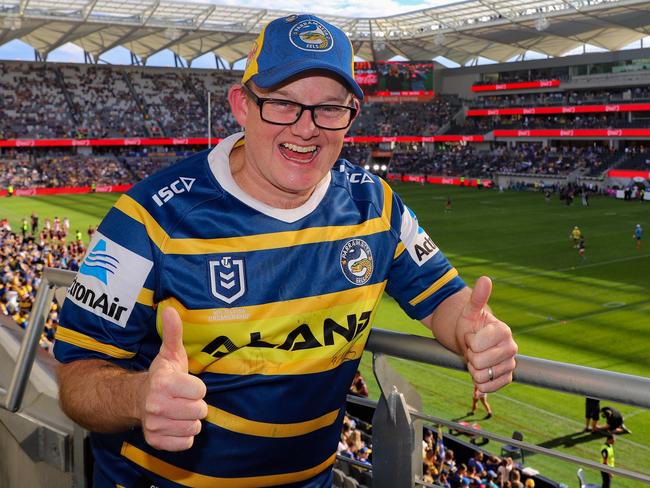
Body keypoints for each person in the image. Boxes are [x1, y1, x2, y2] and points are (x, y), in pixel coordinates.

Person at [54, 13, 517, 488]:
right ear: (242, 105)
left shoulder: (374, 205)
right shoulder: (147, 218)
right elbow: (76, 377)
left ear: (351, 115)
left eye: (329, 109)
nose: (306, 128)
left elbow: (444, 299)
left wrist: (473, 332)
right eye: (282, 103)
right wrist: (137, 397)